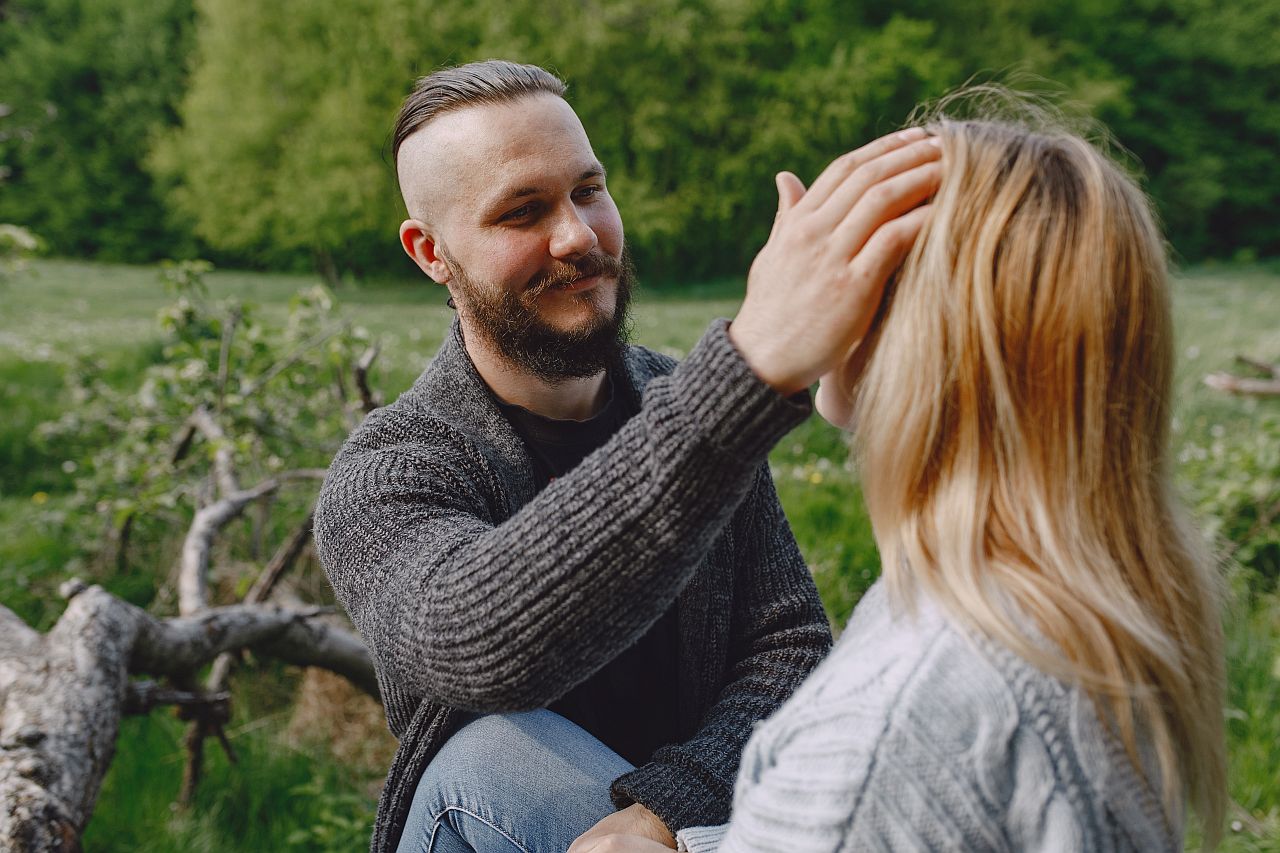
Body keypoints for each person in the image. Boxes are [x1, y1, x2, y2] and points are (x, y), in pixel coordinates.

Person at [312, 60, 942, 853]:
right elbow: (476, 647)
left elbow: (789, 646)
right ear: (431, 253)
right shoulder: (390, 472)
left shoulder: (676, 396)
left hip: (693, 829)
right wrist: (748, 373)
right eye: (522, 211)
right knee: (485, 750)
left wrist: (662, 812)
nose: (577, 235)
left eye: (588, 190)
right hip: (490, 822)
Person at [580, 111, 1229, 853]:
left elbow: (867, 793)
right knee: (496, 751)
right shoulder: (1110, 593)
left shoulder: (893, 715)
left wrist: (759, 351)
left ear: (919, 331)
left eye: (855, 259)